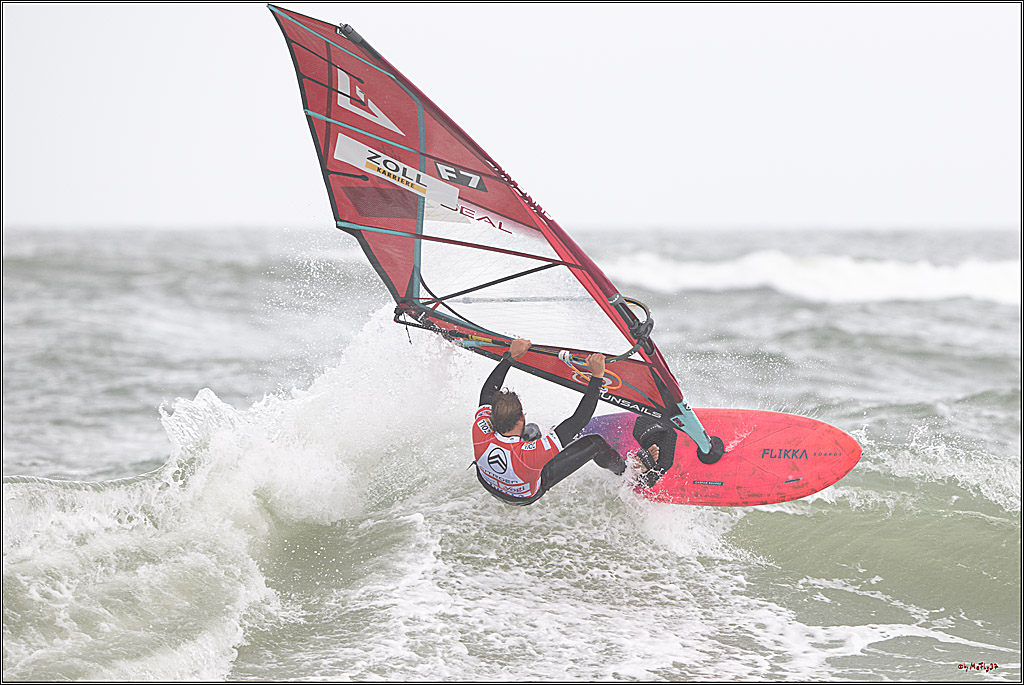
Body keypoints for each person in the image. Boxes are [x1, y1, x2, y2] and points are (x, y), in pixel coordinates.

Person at [472, 338, 635, 505]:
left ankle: (557, 440)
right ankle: (628, 472)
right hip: (524, 496)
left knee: (533, 431)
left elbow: (487, 394)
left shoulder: (480, 429)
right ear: (521, 417)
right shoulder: (531, 454)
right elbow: (579, 420)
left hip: (487, 482)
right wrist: (597, 376)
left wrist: (510, 357)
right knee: (595, 443)